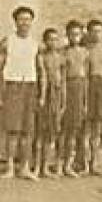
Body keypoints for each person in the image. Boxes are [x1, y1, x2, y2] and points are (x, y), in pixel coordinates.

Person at [0, 6, 41, 181]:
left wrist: (39, 93)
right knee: (12, 131)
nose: (25, 23)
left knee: (28, 131)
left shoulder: (35, 44)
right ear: (15, 21)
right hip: (13, 87)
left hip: (29, 86)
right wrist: (0, 94)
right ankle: (9, 168)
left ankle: (24, 168)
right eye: (21, 19)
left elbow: (40, 69)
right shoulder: (7, 42)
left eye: (28, 19)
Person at [59, 19, 89, 177]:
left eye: (77, 34)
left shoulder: (85, 53)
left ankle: (78, 161)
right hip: (68, 89)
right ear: (67, 35)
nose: (75, 37)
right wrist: (63, 101)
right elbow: (63, 78)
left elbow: (86, 77)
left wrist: (85, 100)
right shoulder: (64, 53)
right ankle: (64, 164)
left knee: (79, 129)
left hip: (81, 89)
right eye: (72, 34)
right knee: (67, 129)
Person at [36, 26, 66, 178]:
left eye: (56, 39)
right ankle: (39, 167)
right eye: (50, 39)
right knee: (42, 131)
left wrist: (63, 101)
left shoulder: (61, 57)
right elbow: (43, 77)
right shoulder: (41, 57)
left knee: (55, 132)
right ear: (45, 41)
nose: (53, 42)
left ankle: (53, 165)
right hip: (46, 95)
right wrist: (42, 97)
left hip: (58, 95)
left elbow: (64, 79)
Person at [84, 19, 102, 175]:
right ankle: (84, 163)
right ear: (88, 32)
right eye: (94, 31)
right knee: (85, 129)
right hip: (88, 87)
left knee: (97, 130)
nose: (97, 34)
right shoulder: (85, 51)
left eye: (99, 31)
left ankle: (95, 163)